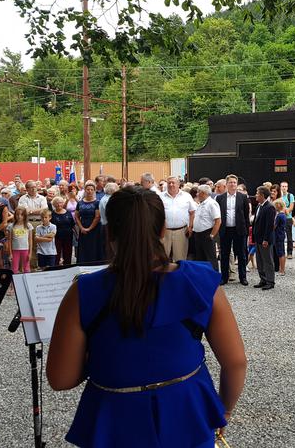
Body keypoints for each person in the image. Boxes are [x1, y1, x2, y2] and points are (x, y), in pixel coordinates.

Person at [46, 186, 247, 446]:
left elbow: (61, 378)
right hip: (186, 409)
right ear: (162, 230)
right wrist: (225, 409)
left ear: (109, 233)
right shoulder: (200, 281)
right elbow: (236, 362)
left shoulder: (83, 291)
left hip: (115, 417)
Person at [216, 175, 249, 285]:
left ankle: (243, 277)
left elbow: (246, 215)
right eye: (230, 182)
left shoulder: (243, 197)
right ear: (226, 184)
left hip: (239, 230)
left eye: (234, 182)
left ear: (237, 184)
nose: (233, 184)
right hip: (225, 230)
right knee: (224, 255)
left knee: (241, 255)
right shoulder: (220, 198)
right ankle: (224, 278)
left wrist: (246, 230)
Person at [161, 176, 197, 263]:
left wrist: (190, 227)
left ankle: (179, 276)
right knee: (162, 258)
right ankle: (163, 276)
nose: (171, 184)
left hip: (181, 231)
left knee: (180, 259)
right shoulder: (160, 196)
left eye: (173, 182)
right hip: (164, 232)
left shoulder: (186, 196)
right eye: (169, 183)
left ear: (178, 184)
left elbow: (192, 212)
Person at [18, 180, 47, 270]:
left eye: (35, 187)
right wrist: (36, 210)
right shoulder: (23, 198)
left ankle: (37, 265)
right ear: (27, 189)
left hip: (39, 222)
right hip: (27, 222)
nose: (34, 189)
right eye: (32, 187)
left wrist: (30, 211)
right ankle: (27, 266)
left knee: (37, 244)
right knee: (26, 244)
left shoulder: (42, 198)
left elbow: (44, 210)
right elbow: (23, 211)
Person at [253, 185, 276, 291]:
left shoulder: (270, 207)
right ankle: (263, 279)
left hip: (265, 239)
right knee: (260, 260)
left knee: (267, 260)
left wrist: (266, 239)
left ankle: (270, 281)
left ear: (262, 195)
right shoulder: (259, 206)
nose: (256, 195)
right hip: (258, 239)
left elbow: (269, 225)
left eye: (257, 193)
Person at [193, 185, 221, 272]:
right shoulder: (201, 203)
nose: (197, 194)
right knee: (200, 259)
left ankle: (214, 280)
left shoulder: (211, 203)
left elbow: (218, 221)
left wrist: (212, 235)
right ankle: (203, 279)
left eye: (198, 192)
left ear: (203, 193)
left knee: (210, 258)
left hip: (207, 234)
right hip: (198, 235)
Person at [74, 180, 102, 264]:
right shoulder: (80, 203)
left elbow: (97, 217)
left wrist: (89, 228)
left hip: (94, 228)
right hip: (83, 227)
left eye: (91, 189)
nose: (89, 191)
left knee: (93, 246)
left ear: (94, 191)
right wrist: (81, 227)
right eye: (88, 189)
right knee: (84, 247)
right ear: (85, 190)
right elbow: (76, 216)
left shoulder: (97, 202)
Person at [7, 207, 33, 273]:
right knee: (14, 269)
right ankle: (14, 282)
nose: (19, 216)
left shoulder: (28, 226)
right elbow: (9, 240)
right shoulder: (11, 226)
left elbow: (30, 240)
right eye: (17, 214)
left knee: (26, 268)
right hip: (15, 250)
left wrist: (30, 253)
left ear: (25, 216)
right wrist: (10, 253)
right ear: (15, 215)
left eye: (22, 215)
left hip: (25, 249)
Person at [51, 196, 74, 266]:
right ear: (54, 205)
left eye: (60, 203)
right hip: (57, 237)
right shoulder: (52, 214)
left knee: (68, 253)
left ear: (63, 203)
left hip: (68, 236)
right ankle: (56, 268)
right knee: (56, 254)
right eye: (56, 203)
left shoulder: (68, 213)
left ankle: (67, 267)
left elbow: (73, 224)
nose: (59, 205)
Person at [280, 182, 295, 259]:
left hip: (288, 218)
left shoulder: (290, 196)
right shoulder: (279, 196)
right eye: (283, 186)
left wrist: (286, 210)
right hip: (280, 217)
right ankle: (281, 252)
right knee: (280, 235)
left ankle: (289, 252)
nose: (284, 188)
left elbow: (291, 207)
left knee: (289, 236)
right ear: (280, 187)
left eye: (285, 186)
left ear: (287, 187)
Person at [273, 199, 287, 275]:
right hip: (281, 234)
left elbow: (274, 226)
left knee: (280, 253)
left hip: (278, 235)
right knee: (282, 252)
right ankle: (282, 269)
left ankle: (282, 270)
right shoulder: (283, 215)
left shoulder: (279, 216)